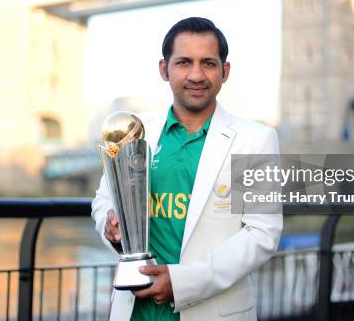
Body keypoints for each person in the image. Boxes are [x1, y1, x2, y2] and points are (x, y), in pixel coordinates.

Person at [91, 17, 282, 321]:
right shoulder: (133, 130)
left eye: (208, 63)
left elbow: (262, 235)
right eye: (183, 62)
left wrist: (182, 284)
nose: (196, 75)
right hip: (133, 312)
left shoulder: (256, 139)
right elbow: (103, 201)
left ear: (225, 71)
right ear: (164, 69)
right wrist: (111, 227)